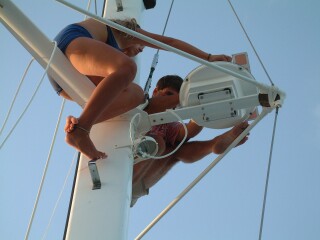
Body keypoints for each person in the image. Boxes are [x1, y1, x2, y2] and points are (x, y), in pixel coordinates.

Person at [49, 17, 232, 160]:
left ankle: (78, 125)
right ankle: (81, 130)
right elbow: (170, 42)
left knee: (134, 94)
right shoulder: (125, 31)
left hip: (64, 83)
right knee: (128, 68)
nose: (142, 49)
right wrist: (208, 57)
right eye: (142, 45)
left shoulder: (107, 54)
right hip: (71, 44)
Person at [130, 75, 249, 206]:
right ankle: (128, 177)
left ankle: (213, 144)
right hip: (119, 159)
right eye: (168, 94)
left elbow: (188, 131)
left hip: (137, 181)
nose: (172, 102)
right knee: (161, 143)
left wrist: (202, 108)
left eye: (177, 102)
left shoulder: (167, 122)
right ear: (155, 92)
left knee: (176, 148)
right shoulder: (141, 104)